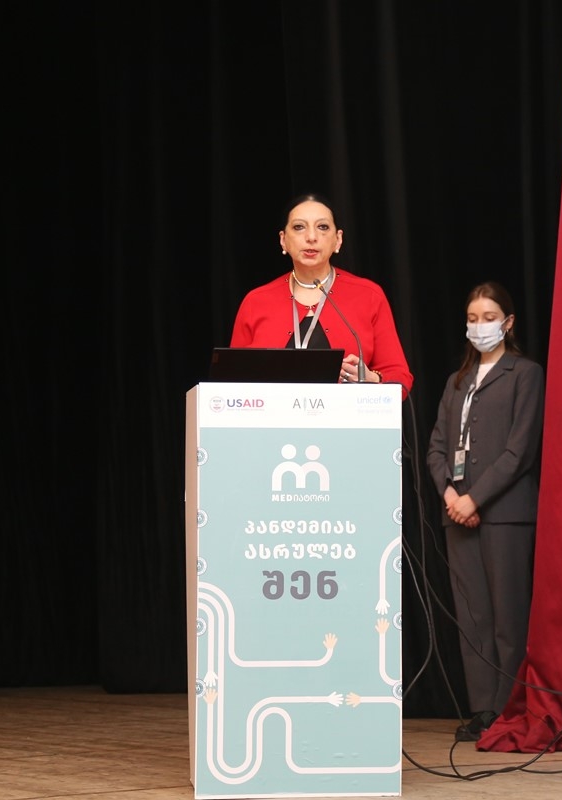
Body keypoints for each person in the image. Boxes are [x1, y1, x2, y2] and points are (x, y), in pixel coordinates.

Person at [426, 281, 545, 741]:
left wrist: (475, 499)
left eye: (489, 318)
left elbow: (520, 451)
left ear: (508, 323)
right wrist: (451, 496)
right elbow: (437, 448)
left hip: (505, 514)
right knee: (473, 618)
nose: (480, 327)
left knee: (507, 616)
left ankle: (508, 708)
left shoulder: (524, 374)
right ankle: (482, 709)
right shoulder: (456, 381)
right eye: (473, 319)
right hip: (457, 514)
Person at [230, 193, 413, 397]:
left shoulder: (368, 295)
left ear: (338, 239)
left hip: (347, 415)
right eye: (299, 227)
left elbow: (400, 379)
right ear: (283, 240)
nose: (311, 237)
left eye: (323, 227)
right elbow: (230, 381)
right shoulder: (256, 301)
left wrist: (374, 379)